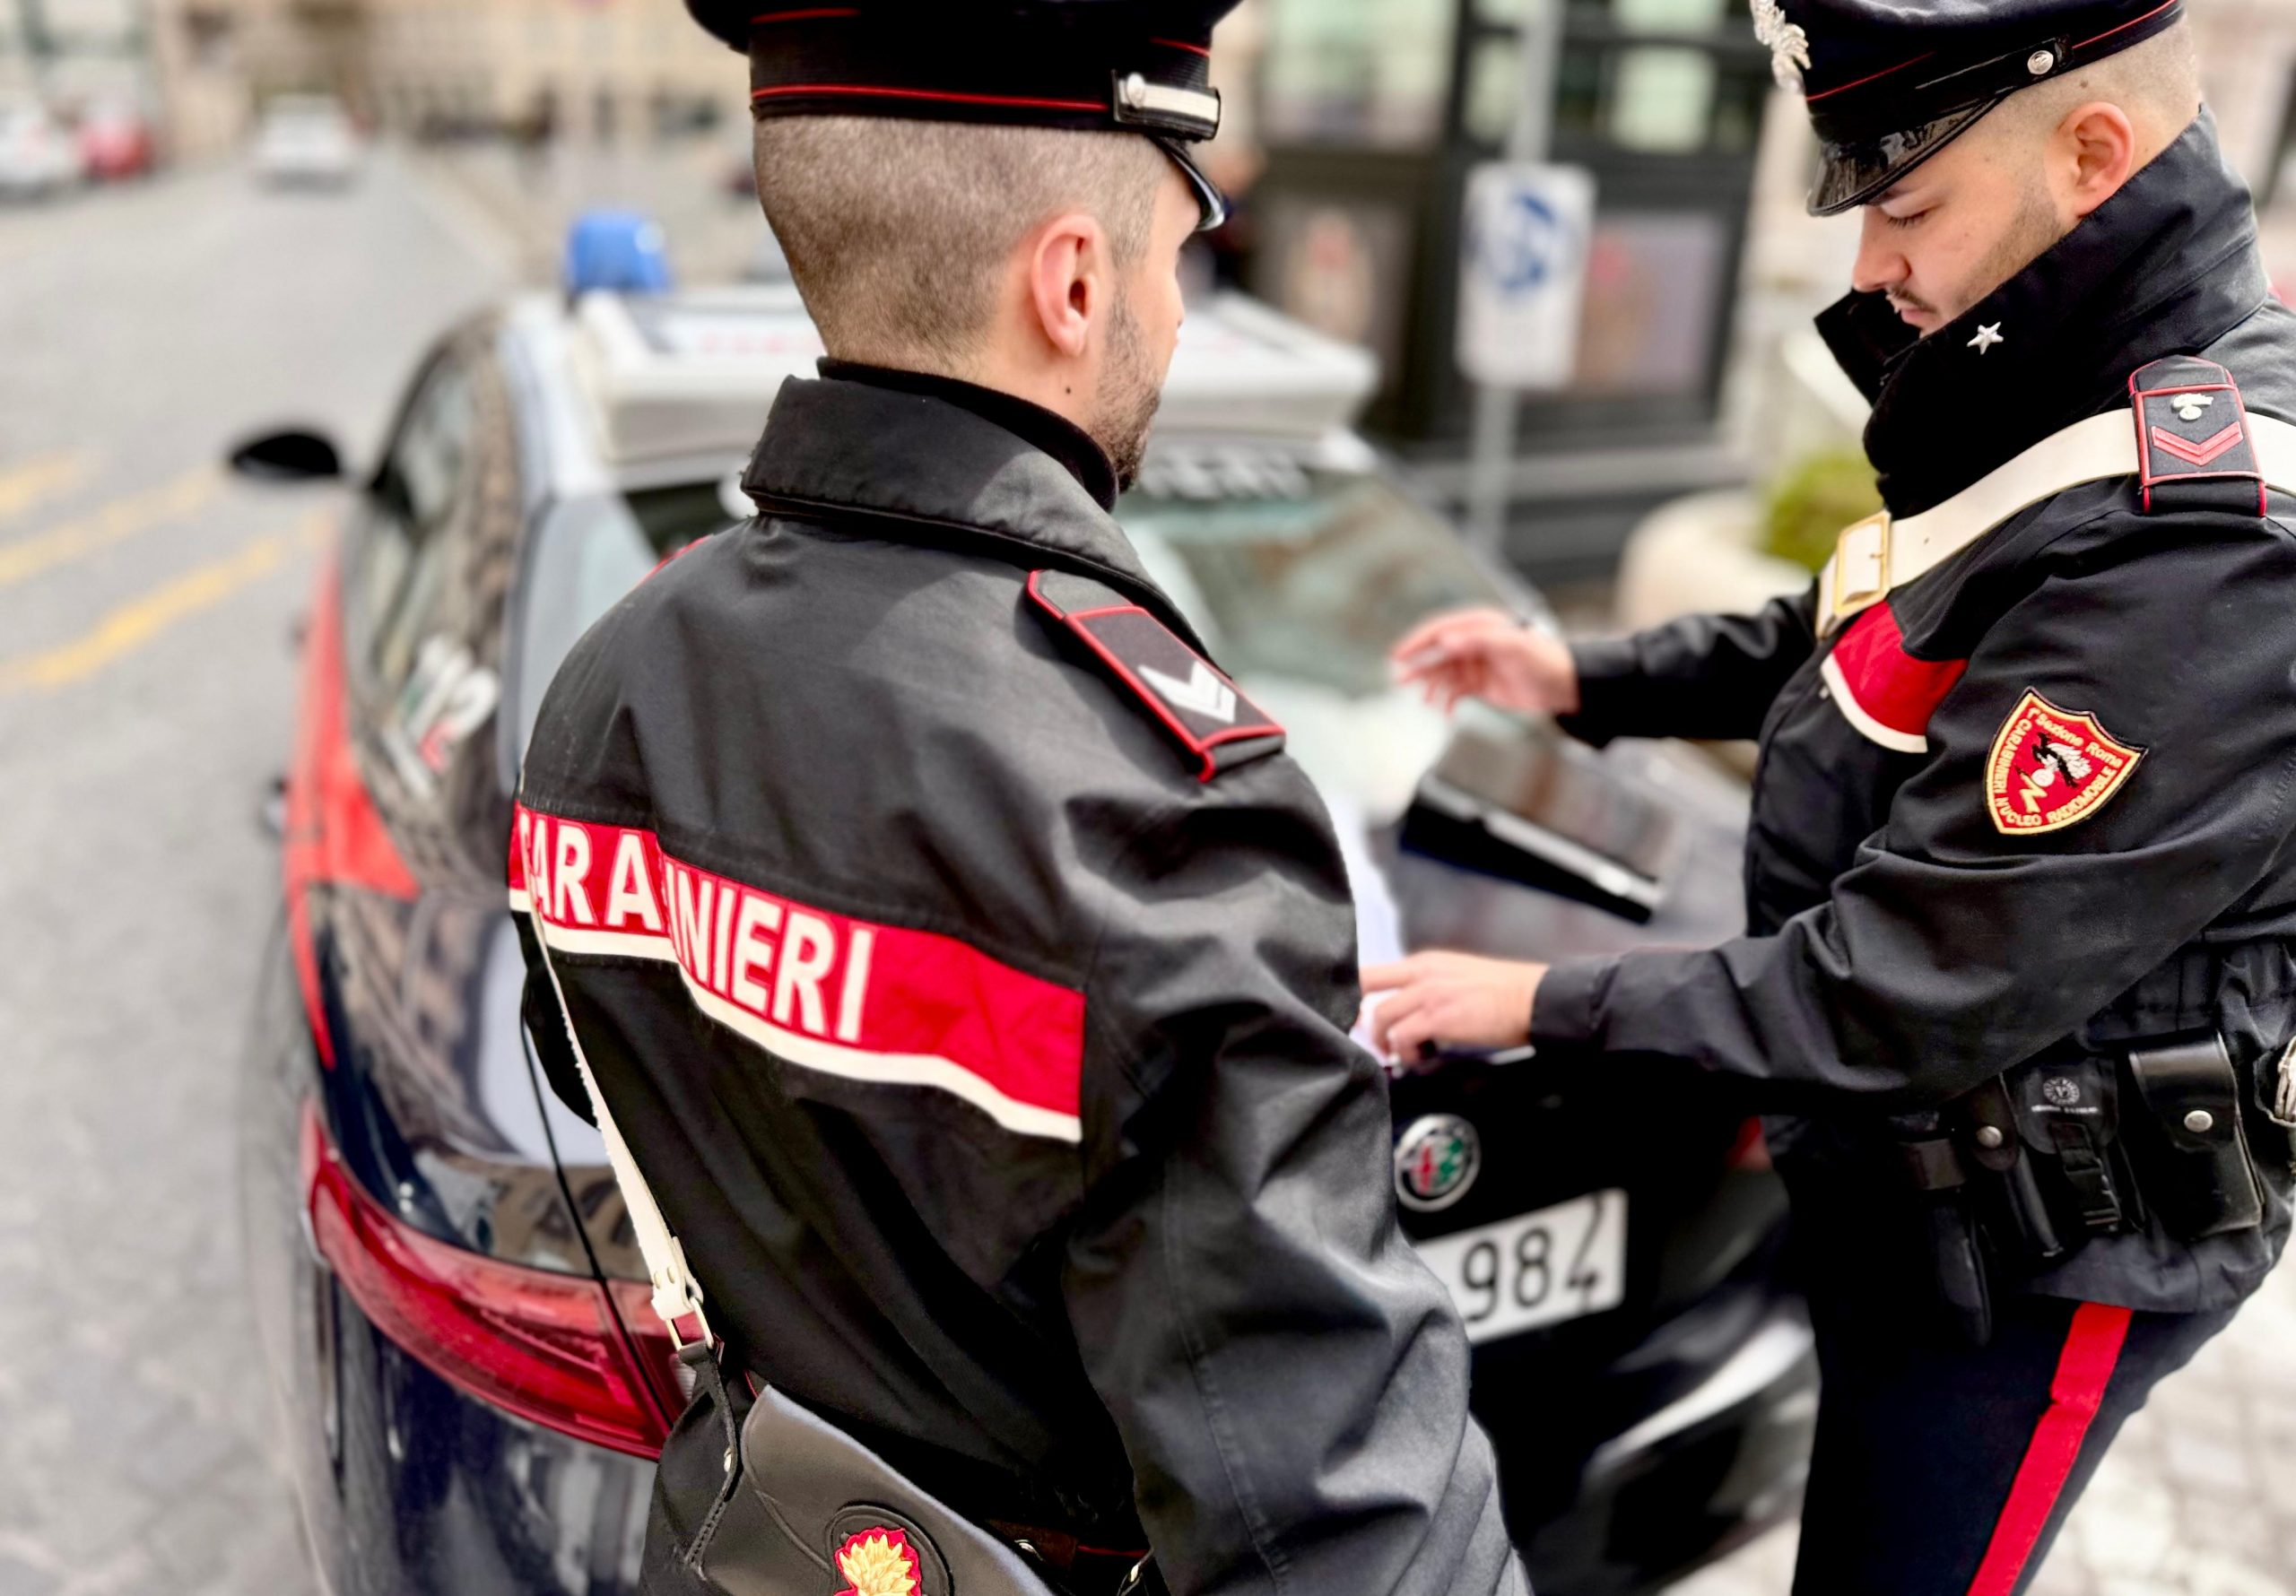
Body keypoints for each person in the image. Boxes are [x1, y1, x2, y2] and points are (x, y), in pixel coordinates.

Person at [512, 5, 1526, 1596]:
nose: (1176, 318)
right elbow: (1343, 1527)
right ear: (1071, 284)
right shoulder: (1155, 817)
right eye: (1173, 262)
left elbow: (630, 1090)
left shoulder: (607, 683)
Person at [1367, 2, 2296, 1591]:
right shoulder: (2073, 375)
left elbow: (1909, 980)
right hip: (1926, 1190)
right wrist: (1587, 676)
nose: (1870, 265)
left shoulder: (2199, 537)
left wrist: (1540, 999)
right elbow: (1878, 620)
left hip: (2041, 1267)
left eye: (1907, 205)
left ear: (2093, 155)